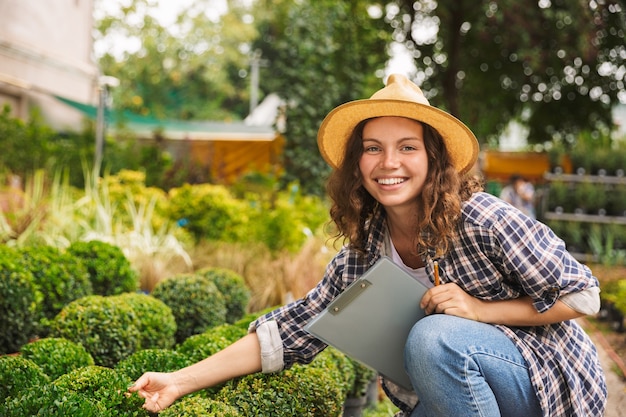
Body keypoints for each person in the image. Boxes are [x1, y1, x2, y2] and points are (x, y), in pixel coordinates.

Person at [129, 74, 607, 416]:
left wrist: (481, 311)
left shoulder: (483, 218)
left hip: (546, 385)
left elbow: (584, 294)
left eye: (407, 147)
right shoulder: (364, 253)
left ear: (433, 159)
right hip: (459, 391)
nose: (388, 162)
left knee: (433, 336)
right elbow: (293, 330)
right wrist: (180, 380)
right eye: (373, 147)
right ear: (357, 161)